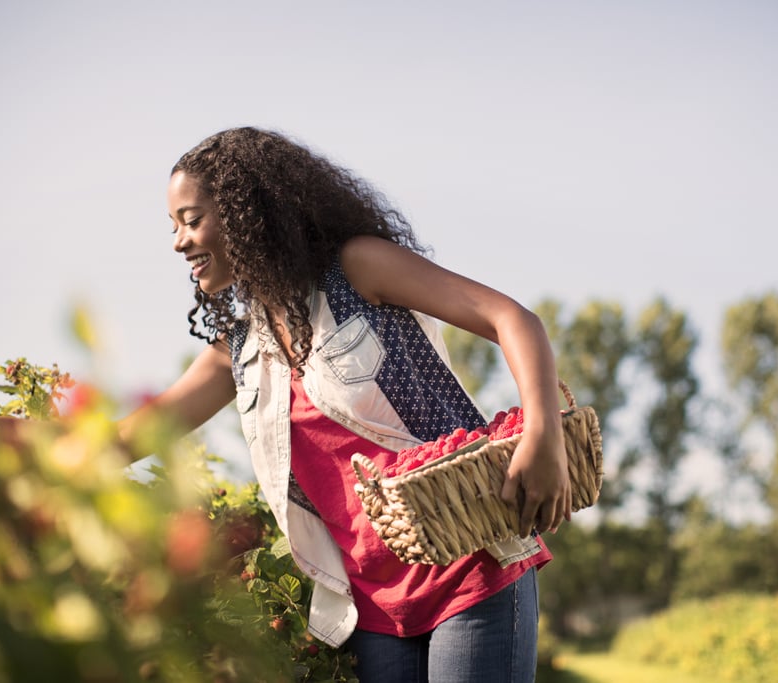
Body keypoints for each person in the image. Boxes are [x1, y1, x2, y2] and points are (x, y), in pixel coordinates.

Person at [119, 127, 571, 682]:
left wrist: (543, 434)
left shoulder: (357, 269)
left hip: (472, 568)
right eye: (173, 227)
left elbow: (512, 319)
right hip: (375, 610)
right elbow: (136, 434)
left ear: (245, 212)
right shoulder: (237, 351)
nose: (179, 242)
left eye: (192, 220)